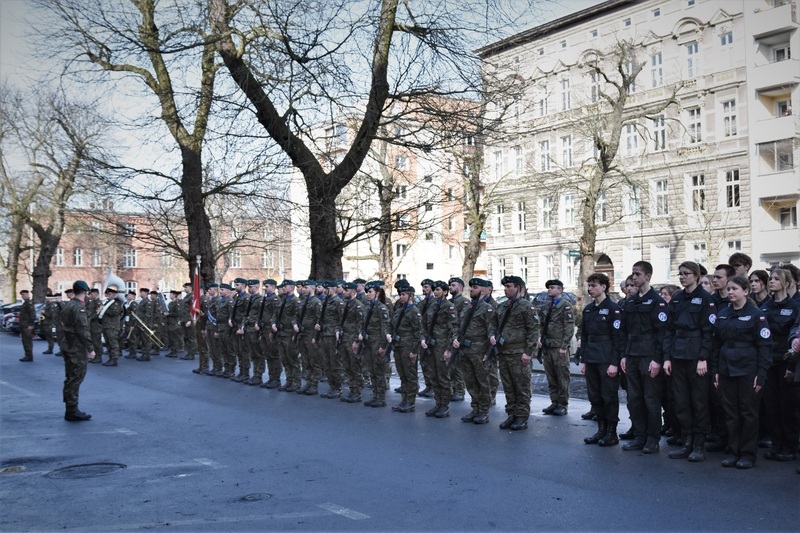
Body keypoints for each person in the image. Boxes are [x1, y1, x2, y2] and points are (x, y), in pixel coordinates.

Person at [711, 275, 771, 469]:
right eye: (728, 289)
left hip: (748, 370)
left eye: (734, 288)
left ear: (746, 291)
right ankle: (733, 451)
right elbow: (716, 344)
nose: (730, 292)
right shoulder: (723, 314)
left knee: (748, 413)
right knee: (731, 413)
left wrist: (761, 374)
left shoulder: (756, 315)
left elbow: (764, 346)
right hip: (726, 369)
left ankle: (747, 454)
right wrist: (715, 370)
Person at [662, 261, 716, 462]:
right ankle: (687, 441)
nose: (682, 277)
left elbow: (709, 332)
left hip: (696, 355)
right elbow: (669, 330)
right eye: (680, 274)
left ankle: (699, 444)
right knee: (681, 401)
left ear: (696, 275)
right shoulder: (677, 298)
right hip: (678, 354)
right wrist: (667, 358)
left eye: (686, 274)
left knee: (699, 402)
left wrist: (703, 358)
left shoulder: (706, 299)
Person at [620, 261, 668, 454]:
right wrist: (624, 355)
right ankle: (639, 436)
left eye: (638, 274)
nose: (634, 277)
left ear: (648, 276)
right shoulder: (630, 302)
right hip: (632, 354)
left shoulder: (657, 302)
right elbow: (624, 331)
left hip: (649, 355)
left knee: (651, 399)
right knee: (634, 398)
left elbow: (662, 333)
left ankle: (652, 439)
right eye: (633, 274)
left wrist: (657, 359)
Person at [489, 275, 540, 431]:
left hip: (519, 353)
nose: (506, 289)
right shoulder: (502, 307)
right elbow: (493, 324)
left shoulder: (526, 307)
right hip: (504, 353)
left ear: (519, 288)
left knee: (522, 387)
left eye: (509, 286)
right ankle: (511, 414)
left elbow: (534, 330)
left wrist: (528, 352)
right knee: (508, 387)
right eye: (505, 287)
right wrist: (492, 335)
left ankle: (522, 417)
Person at [760, 268, 800, 461]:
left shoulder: (794, 307)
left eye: (776, 279)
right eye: (771, 278)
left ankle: (790, 446)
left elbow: (794, 338)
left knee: (787, 406)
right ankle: (776, 444)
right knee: (771, 405)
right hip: (768, 362)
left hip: (785, 362)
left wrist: (792, 367)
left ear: (786, 283)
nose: (772, 281)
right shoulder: (764, 307)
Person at [580, 273, 623, 447]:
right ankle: (601, 429)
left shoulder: (613, 309)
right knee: (595, 396)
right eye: (589, 285)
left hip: (606, 358)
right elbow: (584, 336)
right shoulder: (588, 309)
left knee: (609, 396)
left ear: (604, 287)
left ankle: (612, 432)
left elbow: (617, 338)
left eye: (594, 285)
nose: (590, 289)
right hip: (591, 358)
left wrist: (614, 363)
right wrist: (583, 360)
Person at [450, 278, 494, 424]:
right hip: (465, 350)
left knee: (482, 382)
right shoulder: (468, 307)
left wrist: (488, 353)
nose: (471, 290)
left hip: (479, 351)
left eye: (475, 287)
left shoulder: (487, 308)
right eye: (471, 287)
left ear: (483, 290)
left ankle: (484, 411)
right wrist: (455, 338)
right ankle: (475, 408)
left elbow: (491, 331)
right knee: (470, 381)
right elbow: (457, 325)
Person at [61, 280, 97, 421]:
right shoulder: (79, 308)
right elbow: (83, 330)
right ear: (85, 292)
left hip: (68, 345)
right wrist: (91, 349)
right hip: (76, 347)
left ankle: (69, 407)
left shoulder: (69, 304)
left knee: (70, 378)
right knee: (75, 379)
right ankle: (72, 410)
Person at [421, 280, 457, 418]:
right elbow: (424, 324)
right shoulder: (432, 306)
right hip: (430, 345)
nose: (435, 292)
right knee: (433, 376)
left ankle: (445, 406)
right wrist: (423, 339)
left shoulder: (449, 307)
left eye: (438, 290)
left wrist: (449, 349)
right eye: (434, 289)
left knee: (443, 376)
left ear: (445, 292)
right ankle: (438, 403)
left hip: (442, 346)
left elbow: (453, 329)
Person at [538, 279, 575, 416]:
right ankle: (554, 402)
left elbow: (569, 328)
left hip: (559, 347)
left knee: (562, 376)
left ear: (560, 290)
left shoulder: (565, 306)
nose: (549, 289)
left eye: (552, 287)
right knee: (551, 376)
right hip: (548, 347)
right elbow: (541, 325)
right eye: (549, 287)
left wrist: (564, 346)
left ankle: (562, 404)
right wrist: (539, 338)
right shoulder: (547, 306)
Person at [357, 281, 391, 407]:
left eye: (370, 292)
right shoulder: (368, 307)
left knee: (378, 370)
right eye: (367, 292)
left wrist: (383, 346)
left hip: (377, 342)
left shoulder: (381, 308)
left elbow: (385, 328)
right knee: (371, 370)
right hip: (368, 342)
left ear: (377, 293)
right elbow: (363, 323)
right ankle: (375, 395)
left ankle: (381, 397)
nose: (368, 294)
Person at [390, 283, 423, 413]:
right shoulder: (399, 310)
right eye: (401, 294)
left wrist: (414, 351)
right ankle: (404, 400)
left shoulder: (414, 311)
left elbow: (418, 332)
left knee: (410, 375)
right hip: (398, 346)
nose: (401, 297)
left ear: (411, 296)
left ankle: (410, 401)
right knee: (402, 375)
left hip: (408, 347)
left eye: (404, 294)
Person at [316, 281, 346, 398]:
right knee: (326, 363)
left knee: (335, 363)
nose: (324, 290)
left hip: (333, 336)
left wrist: (338, 331)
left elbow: (342, 320)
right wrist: (318, 325)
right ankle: (332, 386)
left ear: (333, 289)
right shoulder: (324, 301)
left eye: (327, 288)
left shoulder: (338, 302)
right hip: (324, 334)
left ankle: (337, 387)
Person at [339, 282, 366, 403]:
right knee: (347, 365)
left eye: (347, 290)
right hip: (344, 338)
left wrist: (357, 341)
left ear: (353, 292)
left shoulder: (358, 306)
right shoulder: (345, 304)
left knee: (355, 366)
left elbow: (361, 323)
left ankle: (357, 391)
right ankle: (352, 389)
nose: (344, 292)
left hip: (352, 339)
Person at [273, 280, 300, 391]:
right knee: (284, 359)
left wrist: (295, 333)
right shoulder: (282, 300)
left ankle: (296, 382)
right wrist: (273, 323)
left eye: (286, 286)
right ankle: (289, 380)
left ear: (292, 288)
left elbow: (297, 316)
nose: (283, 288)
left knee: (292, 359)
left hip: (289, 333)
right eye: (283, 286)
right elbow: (276, 314)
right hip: (281, 333)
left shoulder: (295, 301)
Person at [295, 280, 322, 394]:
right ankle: (308, 382)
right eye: (303, 287)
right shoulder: (303, 301)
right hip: (303, 334)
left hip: (311, 334)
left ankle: (314, 385)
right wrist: (295, 324)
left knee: (313, 360)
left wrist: (315, 337)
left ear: (312, 288)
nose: (303, 289)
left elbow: (319, 320)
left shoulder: (316, 302)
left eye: (306, 288)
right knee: (305, 361)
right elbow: (297, 315)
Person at [448, 277, 469, 402]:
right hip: (448, 337)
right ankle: (452, 389)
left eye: (453, 285)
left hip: (457, 338)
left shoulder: (464, 302)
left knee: (457, 366)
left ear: (460, 287)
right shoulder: (450, 302)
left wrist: (457, 337)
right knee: (450, 365)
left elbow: (462, 322)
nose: (450, 287)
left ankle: (460, 391)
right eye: (450, 285)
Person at [416, 279, 436, 398]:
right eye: (423, 287)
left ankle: (433, 386)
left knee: (431, 363)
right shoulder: (422, 303)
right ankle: (428, 385)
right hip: (422, 335)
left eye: (426, 287)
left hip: (431, 336)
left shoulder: (434, 303)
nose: (424, 289)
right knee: (423, 362)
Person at [98, 286, 123, 366]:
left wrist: (104, 309)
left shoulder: (116, 303)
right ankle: (110, 358)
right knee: (108, 343)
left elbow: (114, 313)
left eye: (110, 294)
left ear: (114, 295)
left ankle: (114, 359)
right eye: (107, 294)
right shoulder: (107, 303)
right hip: (106, 326)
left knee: (113, 343)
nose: (108, 296)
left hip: (112, 327)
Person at [180, 281, 198, 360]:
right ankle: (188, 352)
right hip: (184, 319)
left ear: (190, 288)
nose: (185, 289)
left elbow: (193, 309)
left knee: (191, 337)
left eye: (186, 287)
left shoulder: (192, 296)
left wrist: (190, 320)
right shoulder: (187, 296)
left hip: (189, 320)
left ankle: (191, 353)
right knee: (186, 337)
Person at [86, 288, 104, 363]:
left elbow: (97, 313)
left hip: (96, 325)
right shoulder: (91, 302)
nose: (90, 296)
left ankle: (98, 356)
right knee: (92, 340)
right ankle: (94, 355)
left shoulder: (99, 303)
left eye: (91, 294)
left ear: (96, 294)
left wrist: (89, 318)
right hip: (91, 325)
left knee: (97, 341)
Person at [18, 290, 36, 362]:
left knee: (27, 341)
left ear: (28, 294)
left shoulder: (29, 303)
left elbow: (33, 314)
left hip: (27, 325)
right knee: (25, 341)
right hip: (24, 325)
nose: (23, 296)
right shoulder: (25, 303)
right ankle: (28, 355)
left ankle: (29, 356)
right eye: (22, 295)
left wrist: (30, 324)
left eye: (24, 294)